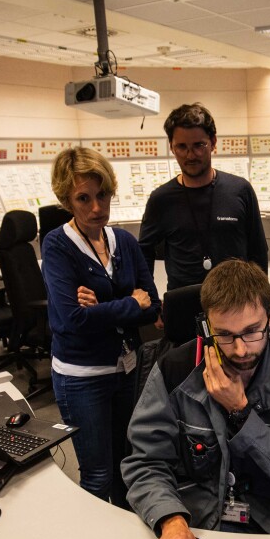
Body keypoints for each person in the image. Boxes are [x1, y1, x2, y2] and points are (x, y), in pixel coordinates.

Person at [123, 259, 270, 539]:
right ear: (207, 324)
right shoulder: (175, 370)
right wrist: (172, 520)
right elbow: (145, 461)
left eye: (251, 332)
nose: (241, 349)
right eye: (225, 335)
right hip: (201, 517)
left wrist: (241, 413)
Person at [42, 147, 160, 508]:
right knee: (97, 475)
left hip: (126, 371)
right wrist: (129, 303)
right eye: (84, 198)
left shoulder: (123, 240)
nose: (97, 207)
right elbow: (72, 321)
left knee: (127, 465)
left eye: (103, 194)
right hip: (81, 376)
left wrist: (103, 307)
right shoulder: (58, 246)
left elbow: (153, 305)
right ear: (67, 200)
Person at [139, 103, 268, 291]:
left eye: (199, 145)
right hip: (184, 303)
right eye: (182, 147)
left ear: (213, 142)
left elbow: (258, 252)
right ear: (172, 148)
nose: (190, 155)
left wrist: (261, 301)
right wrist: (151, 303)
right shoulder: (161, 199)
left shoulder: (240, 190)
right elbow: (143, 253)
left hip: (235, 302)